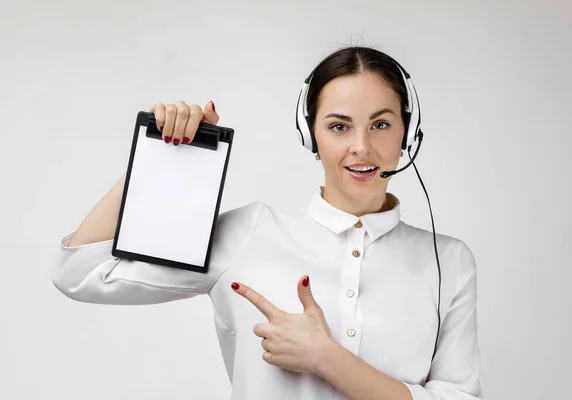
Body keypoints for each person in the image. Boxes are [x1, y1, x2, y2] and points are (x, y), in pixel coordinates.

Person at [53, 45, 483, 400]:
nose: (361, 146)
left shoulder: (449, 261)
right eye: (338, 126)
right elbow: (80, 273)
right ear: (310, 132)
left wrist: (326, 358)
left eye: (381, 124)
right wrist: (159, 156)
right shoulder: (250, 233)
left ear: (408, 132)